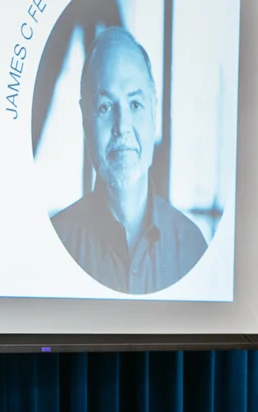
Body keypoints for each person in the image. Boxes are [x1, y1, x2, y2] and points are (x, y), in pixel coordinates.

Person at [50, 27, 208, 295]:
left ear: (154, 112)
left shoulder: (192, 249)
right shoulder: (56, 245)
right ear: (84, 120)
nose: (122, 126)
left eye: (135, 105)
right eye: (105, 107)